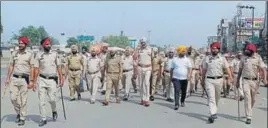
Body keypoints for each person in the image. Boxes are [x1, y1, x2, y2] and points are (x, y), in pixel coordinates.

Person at [33, 37, 64, 126]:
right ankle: (43, 118)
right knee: (41, 101)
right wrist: (34, 82)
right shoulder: (39, 55)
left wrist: (61, 79)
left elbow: (59, 67)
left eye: (49, 44)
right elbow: (36, 69)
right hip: (42, 79)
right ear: (43, 45)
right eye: (46, 44)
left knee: (52, 99)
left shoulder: (54, 54)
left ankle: (54, 111)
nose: (48, 45)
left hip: (52, 80)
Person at [4, 36, 34, 126]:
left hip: (25, 79)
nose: (20, 45)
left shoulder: (29, 54)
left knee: (23, 100)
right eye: (19, 43)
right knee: (13, 98)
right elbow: (11, 66)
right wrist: (8, 78)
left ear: (25, 44)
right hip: (14, 78)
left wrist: (32, 80)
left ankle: (22, 117)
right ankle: (19, 111)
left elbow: (32, 67)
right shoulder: (14, 53)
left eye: (22, 43)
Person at [201, 42, 233, 123]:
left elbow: (227, 68)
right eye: (212, 48)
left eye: (215, 48)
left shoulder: (222, 58)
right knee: (211, 97)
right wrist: (202, 79)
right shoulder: (207, 58)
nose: (214, 50)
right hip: (209, 80)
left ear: (218, 49)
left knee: (217, 97)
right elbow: (204, 70)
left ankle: (214, 111)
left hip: (219, 80)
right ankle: (213, 113)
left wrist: (230, 76)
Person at [236, 43, 267, 124]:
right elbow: (240, 71)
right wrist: (237, 81)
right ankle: (248, 116)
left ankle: (249, 110)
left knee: (254, 99)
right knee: (247, 98)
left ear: (253, 51)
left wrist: (265, 79)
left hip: (255, 81)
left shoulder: (258, 57)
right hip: (245, 81)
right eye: (246, 50)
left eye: (249, 50)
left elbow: (263, 69)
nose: (247, 51)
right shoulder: (243, 58)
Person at [170, 45, 192, 110]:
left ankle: (182, 101)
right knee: (177, 90)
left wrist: (189, 75)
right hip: (176, 78)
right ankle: (176, 104)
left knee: (183, 91)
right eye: (182, 51)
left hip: (184, 78)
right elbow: (171, 69)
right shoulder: (174, 60)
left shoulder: (187, 60)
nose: (184, 52)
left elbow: (190, 68)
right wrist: (171, 77)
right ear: (179, 52)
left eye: (184, 51)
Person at [135, 37, 152, 107]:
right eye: (142, 42)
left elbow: (153, 59)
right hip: (140, 67)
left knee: (146, 83)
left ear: (146, 42)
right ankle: (142, 99)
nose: (143, 44)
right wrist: (137, 49)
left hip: (148, 68)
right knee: (141, 84)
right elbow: (135, 57)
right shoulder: (139, 50)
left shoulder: (150, 49)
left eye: (144, 42)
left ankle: (147, 99)